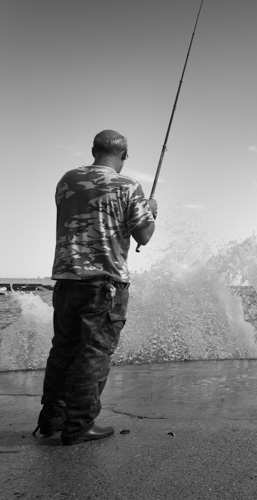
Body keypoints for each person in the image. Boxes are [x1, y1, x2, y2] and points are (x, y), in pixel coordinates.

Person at [34, 130, 158, 446]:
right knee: (94, 352)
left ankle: (51, 421)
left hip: (65, 281)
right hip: (105, 284)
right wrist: (150, 210)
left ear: (93, 150)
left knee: (63, 349)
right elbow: (143, 235)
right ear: (125, 154)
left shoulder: (66, 181)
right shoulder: (128, 186)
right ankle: (78, 426)